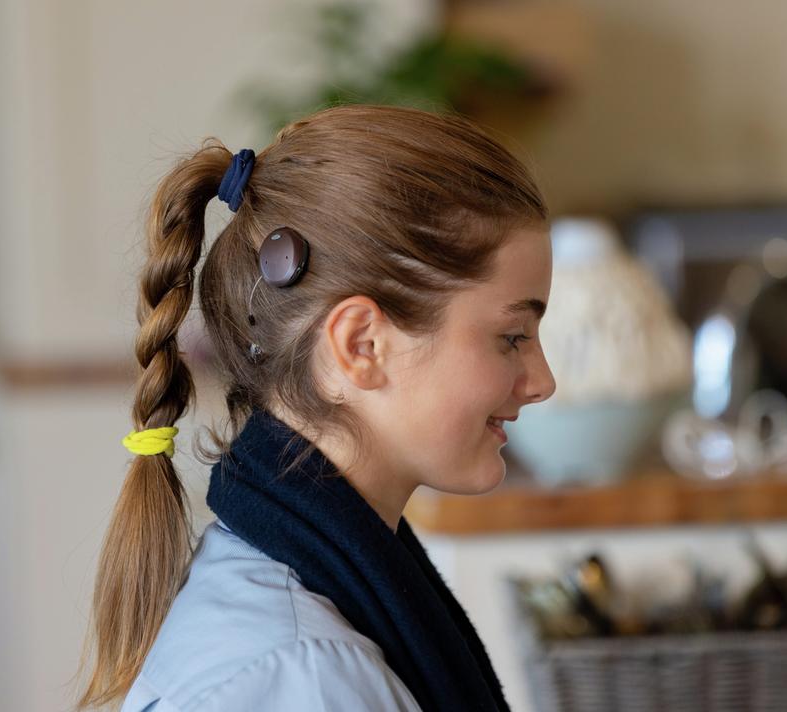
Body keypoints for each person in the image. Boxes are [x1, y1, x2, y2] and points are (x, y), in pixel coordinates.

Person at [75, 104, 557, 712]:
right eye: (512, 337)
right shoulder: (304, 679)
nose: (543, 382)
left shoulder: (301, 628)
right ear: (361, 345)